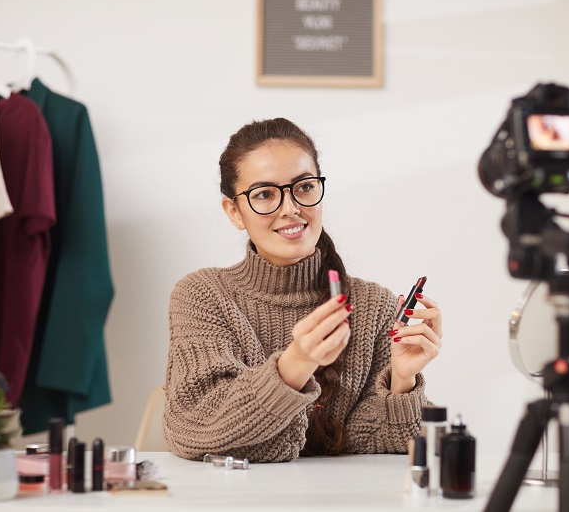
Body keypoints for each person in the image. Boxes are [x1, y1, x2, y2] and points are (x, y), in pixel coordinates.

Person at [162, 118, 443, 462]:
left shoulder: (375, 306)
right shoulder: (202, 295)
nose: (291, 208)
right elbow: (196, 429)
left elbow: (390, 440)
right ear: (234, 212)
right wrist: (296, 363)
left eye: (305, 187)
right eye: (264, 194)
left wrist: (402, 379)